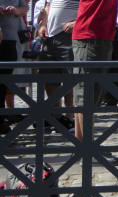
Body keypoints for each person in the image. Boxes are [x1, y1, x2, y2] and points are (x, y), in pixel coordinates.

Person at [71, 0, 118, 165]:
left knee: (88, 98)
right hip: (90, 37)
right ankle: (87, 150)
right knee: (86, 96)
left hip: (98, 37)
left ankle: (83, 147)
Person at [36, 0, 78, 129]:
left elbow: (89, 9)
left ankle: (70, 117)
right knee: (49, 77)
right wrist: (43, 25)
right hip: (50, 37)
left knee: (70, 78)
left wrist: (75, 23)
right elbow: (48, 7)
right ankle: (56, 116)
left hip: (68, 35)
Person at [0, 0, 26, 134]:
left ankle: (5, 115)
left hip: (11, 41)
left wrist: (16, 11)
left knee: (5, 81)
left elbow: (24, 8)